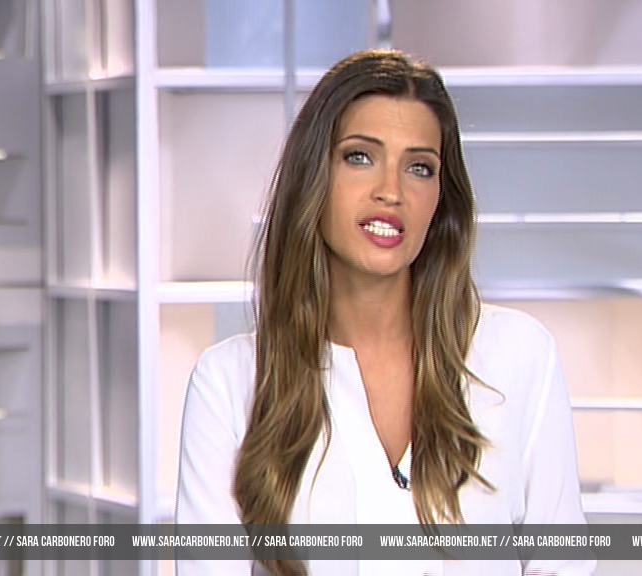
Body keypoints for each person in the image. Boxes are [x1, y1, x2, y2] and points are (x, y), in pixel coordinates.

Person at [176, 48, 595, 576]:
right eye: (360, 156)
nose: (391, 192)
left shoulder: (519, 356)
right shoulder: (230, 384)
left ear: (440, 198)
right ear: (314, 176)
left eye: (419, 167)